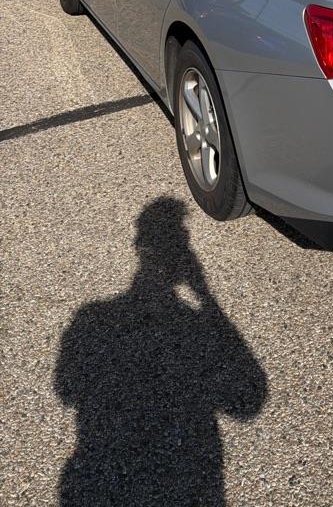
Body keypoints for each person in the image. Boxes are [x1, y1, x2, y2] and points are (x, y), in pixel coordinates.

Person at [55, 197, 267, 505]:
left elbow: (66, 390)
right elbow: (246, 403)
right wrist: (206, 297)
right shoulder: (193, 323)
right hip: (194, 468)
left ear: (137, 243)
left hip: (99, 465)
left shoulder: (90, 318)